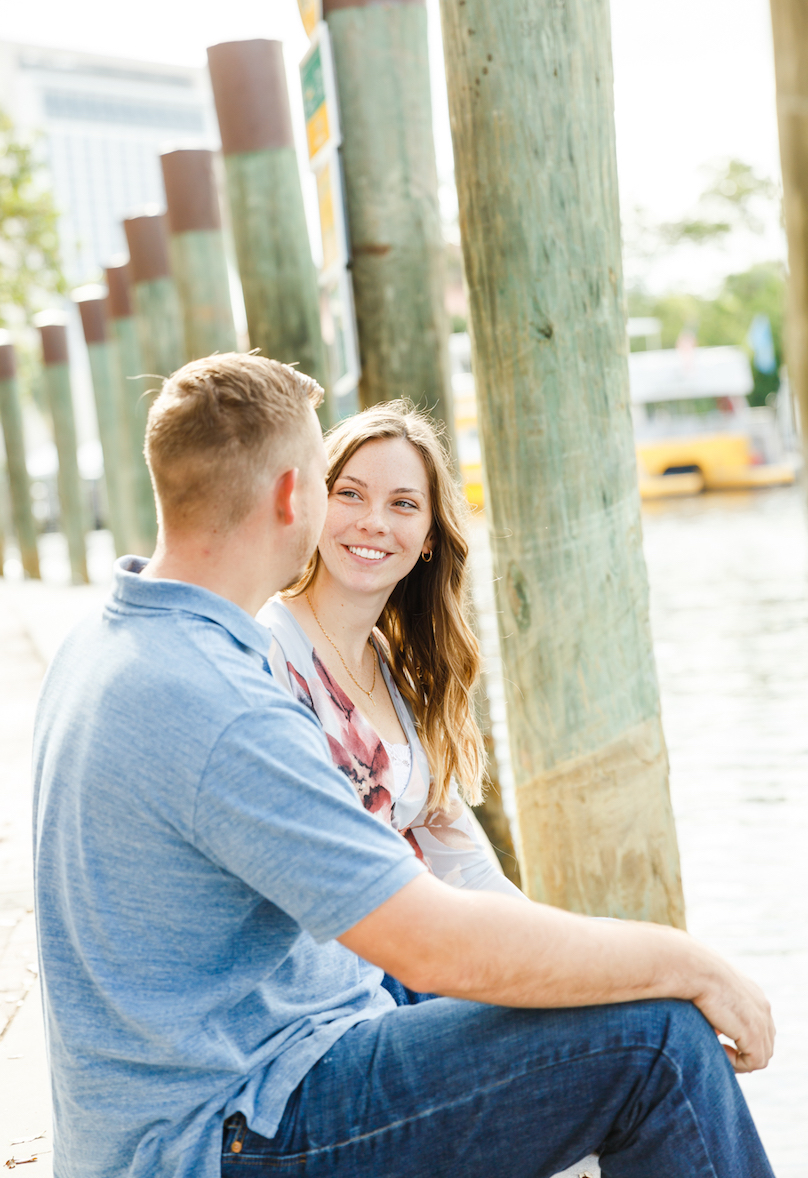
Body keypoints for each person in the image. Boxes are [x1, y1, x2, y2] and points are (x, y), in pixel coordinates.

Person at [33, 353, 775, 1178]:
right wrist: (687, 961)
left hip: (222, 1074)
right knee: (659, 1041)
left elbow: (448, 894)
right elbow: (429, 946)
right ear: (295, 495)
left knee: (608, 1001)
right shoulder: (226, 702)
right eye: (336, 486)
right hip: (222, 1129)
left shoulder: (107, 638)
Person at [258, 401, 521, 914]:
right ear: (314, 503)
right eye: (350, 494)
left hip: (413, 942)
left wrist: (565, 943)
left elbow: (465, 867)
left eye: (403, 504)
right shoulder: (267, 650)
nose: (373, 522)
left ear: (429, 537)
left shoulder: (396, 667)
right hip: (333, 954)